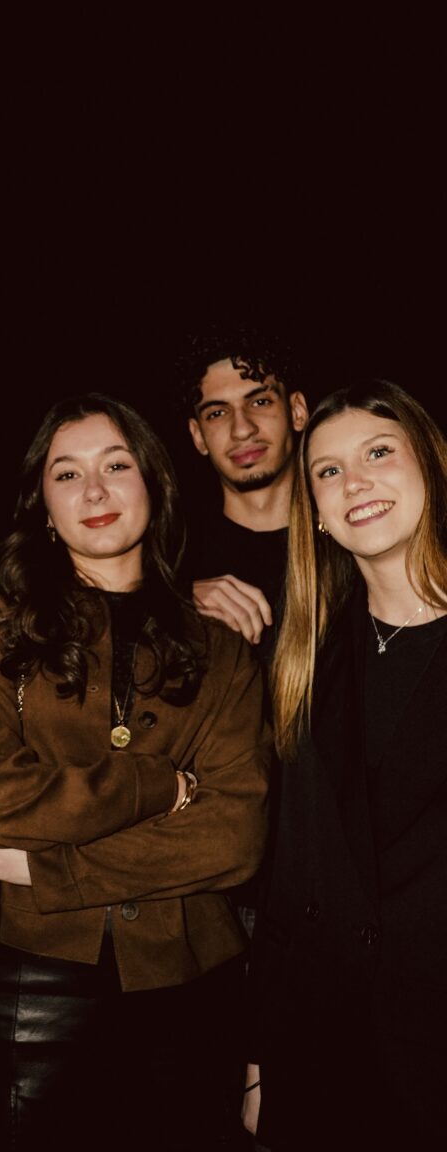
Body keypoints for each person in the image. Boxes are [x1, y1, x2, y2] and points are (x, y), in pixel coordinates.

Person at [0, 393, 270, 1150]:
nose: (94, 491)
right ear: (43, 507)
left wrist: (54, 869)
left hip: (192, 982)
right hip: (30, 982)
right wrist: (162, 785)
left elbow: (235, 836)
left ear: (153, 482)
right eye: (67, 473)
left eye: (116, 466)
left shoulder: (219, 644)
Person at [246, 380, 447, 1148]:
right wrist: (260, 1057)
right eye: (328, 471)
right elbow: (289, 874)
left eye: (378, 453)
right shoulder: (302, 658)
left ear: (429, 464)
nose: (354, 481)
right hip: (321, 1053)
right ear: (318, 514)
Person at [176, 327, 309, 662]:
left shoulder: (351, 538)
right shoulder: (174, 560)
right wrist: (178, 607)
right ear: (198, 436)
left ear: (297, 411)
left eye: (260, 402)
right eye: (217, 413)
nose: (242, 429)